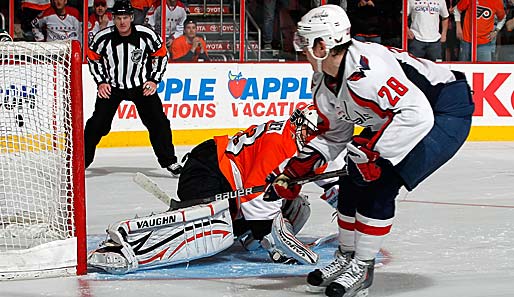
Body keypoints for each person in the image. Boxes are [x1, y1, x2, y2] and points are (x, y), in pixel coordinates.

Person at [266, 5, 474, 297]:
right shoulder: (326, 82)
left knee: (381, 183)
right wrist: (296, 169)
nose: (299, 47)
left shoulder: (368, 70)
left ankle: (362, 267)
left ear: (323, 44)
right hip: (401, 115)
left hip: (444, 111)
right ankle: (346, 258)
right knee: (351, 180)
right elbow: (336, 134)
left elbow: (416, 115)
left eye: (305, 41)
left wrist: (377, 155)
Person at [87, 105, 344, 274]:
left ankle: (249, 237)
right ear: (299, 128)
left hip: (231, 179)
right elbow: (258, 202)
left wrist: (353, 213)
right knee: (213, 229)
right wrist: (277, 240)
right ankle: (127, 250)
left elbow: (334, 186)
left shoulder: (312, 149)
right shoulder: (279, 144)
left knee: (298, 206)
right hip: (207, 169)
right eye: (311, 134)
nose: (315, 141)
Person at [85, 0, 182, 176]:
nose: (122, 22)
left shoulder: (146, 35)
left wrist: (154, 80)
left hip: (140, 86)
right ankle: (81, 162)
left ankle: (170, 161)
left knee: (159, 122)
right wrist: (101, 81)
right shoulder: (103, 37)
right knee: (97, 125)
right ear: (113, 18)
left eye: (125, 17)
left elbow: (161, 55)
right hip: (112, 87)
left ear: (131, 17)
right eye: (118, 18)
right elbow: (93, 57)